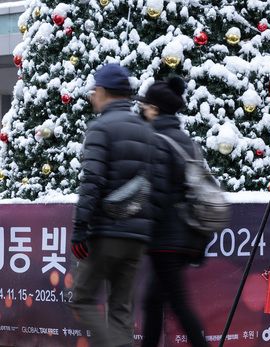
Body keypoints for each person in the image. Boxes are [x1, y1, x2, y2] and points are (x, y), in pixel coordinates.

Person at [70, 63, 155, 347]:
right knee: (120, 309)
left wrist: (81, 228)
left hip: (106, 232)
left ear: (104, 92)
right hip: (136, 237)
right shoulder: (145, 130)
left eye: (94, 91)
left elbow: (92, 181)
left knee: (81, 298)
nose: (92, 97)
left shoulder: (100, 128)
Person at [135, 76, 208, 347]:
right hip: (185, 234)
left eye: (145, 105)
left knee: (177, 303)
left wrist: (140, 227)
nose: (141, 109)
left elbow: (157, 194)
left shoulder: (158, 141)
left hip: (166, 237)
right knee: (153, 301)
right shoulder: (183, 139)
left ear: (154, 109)